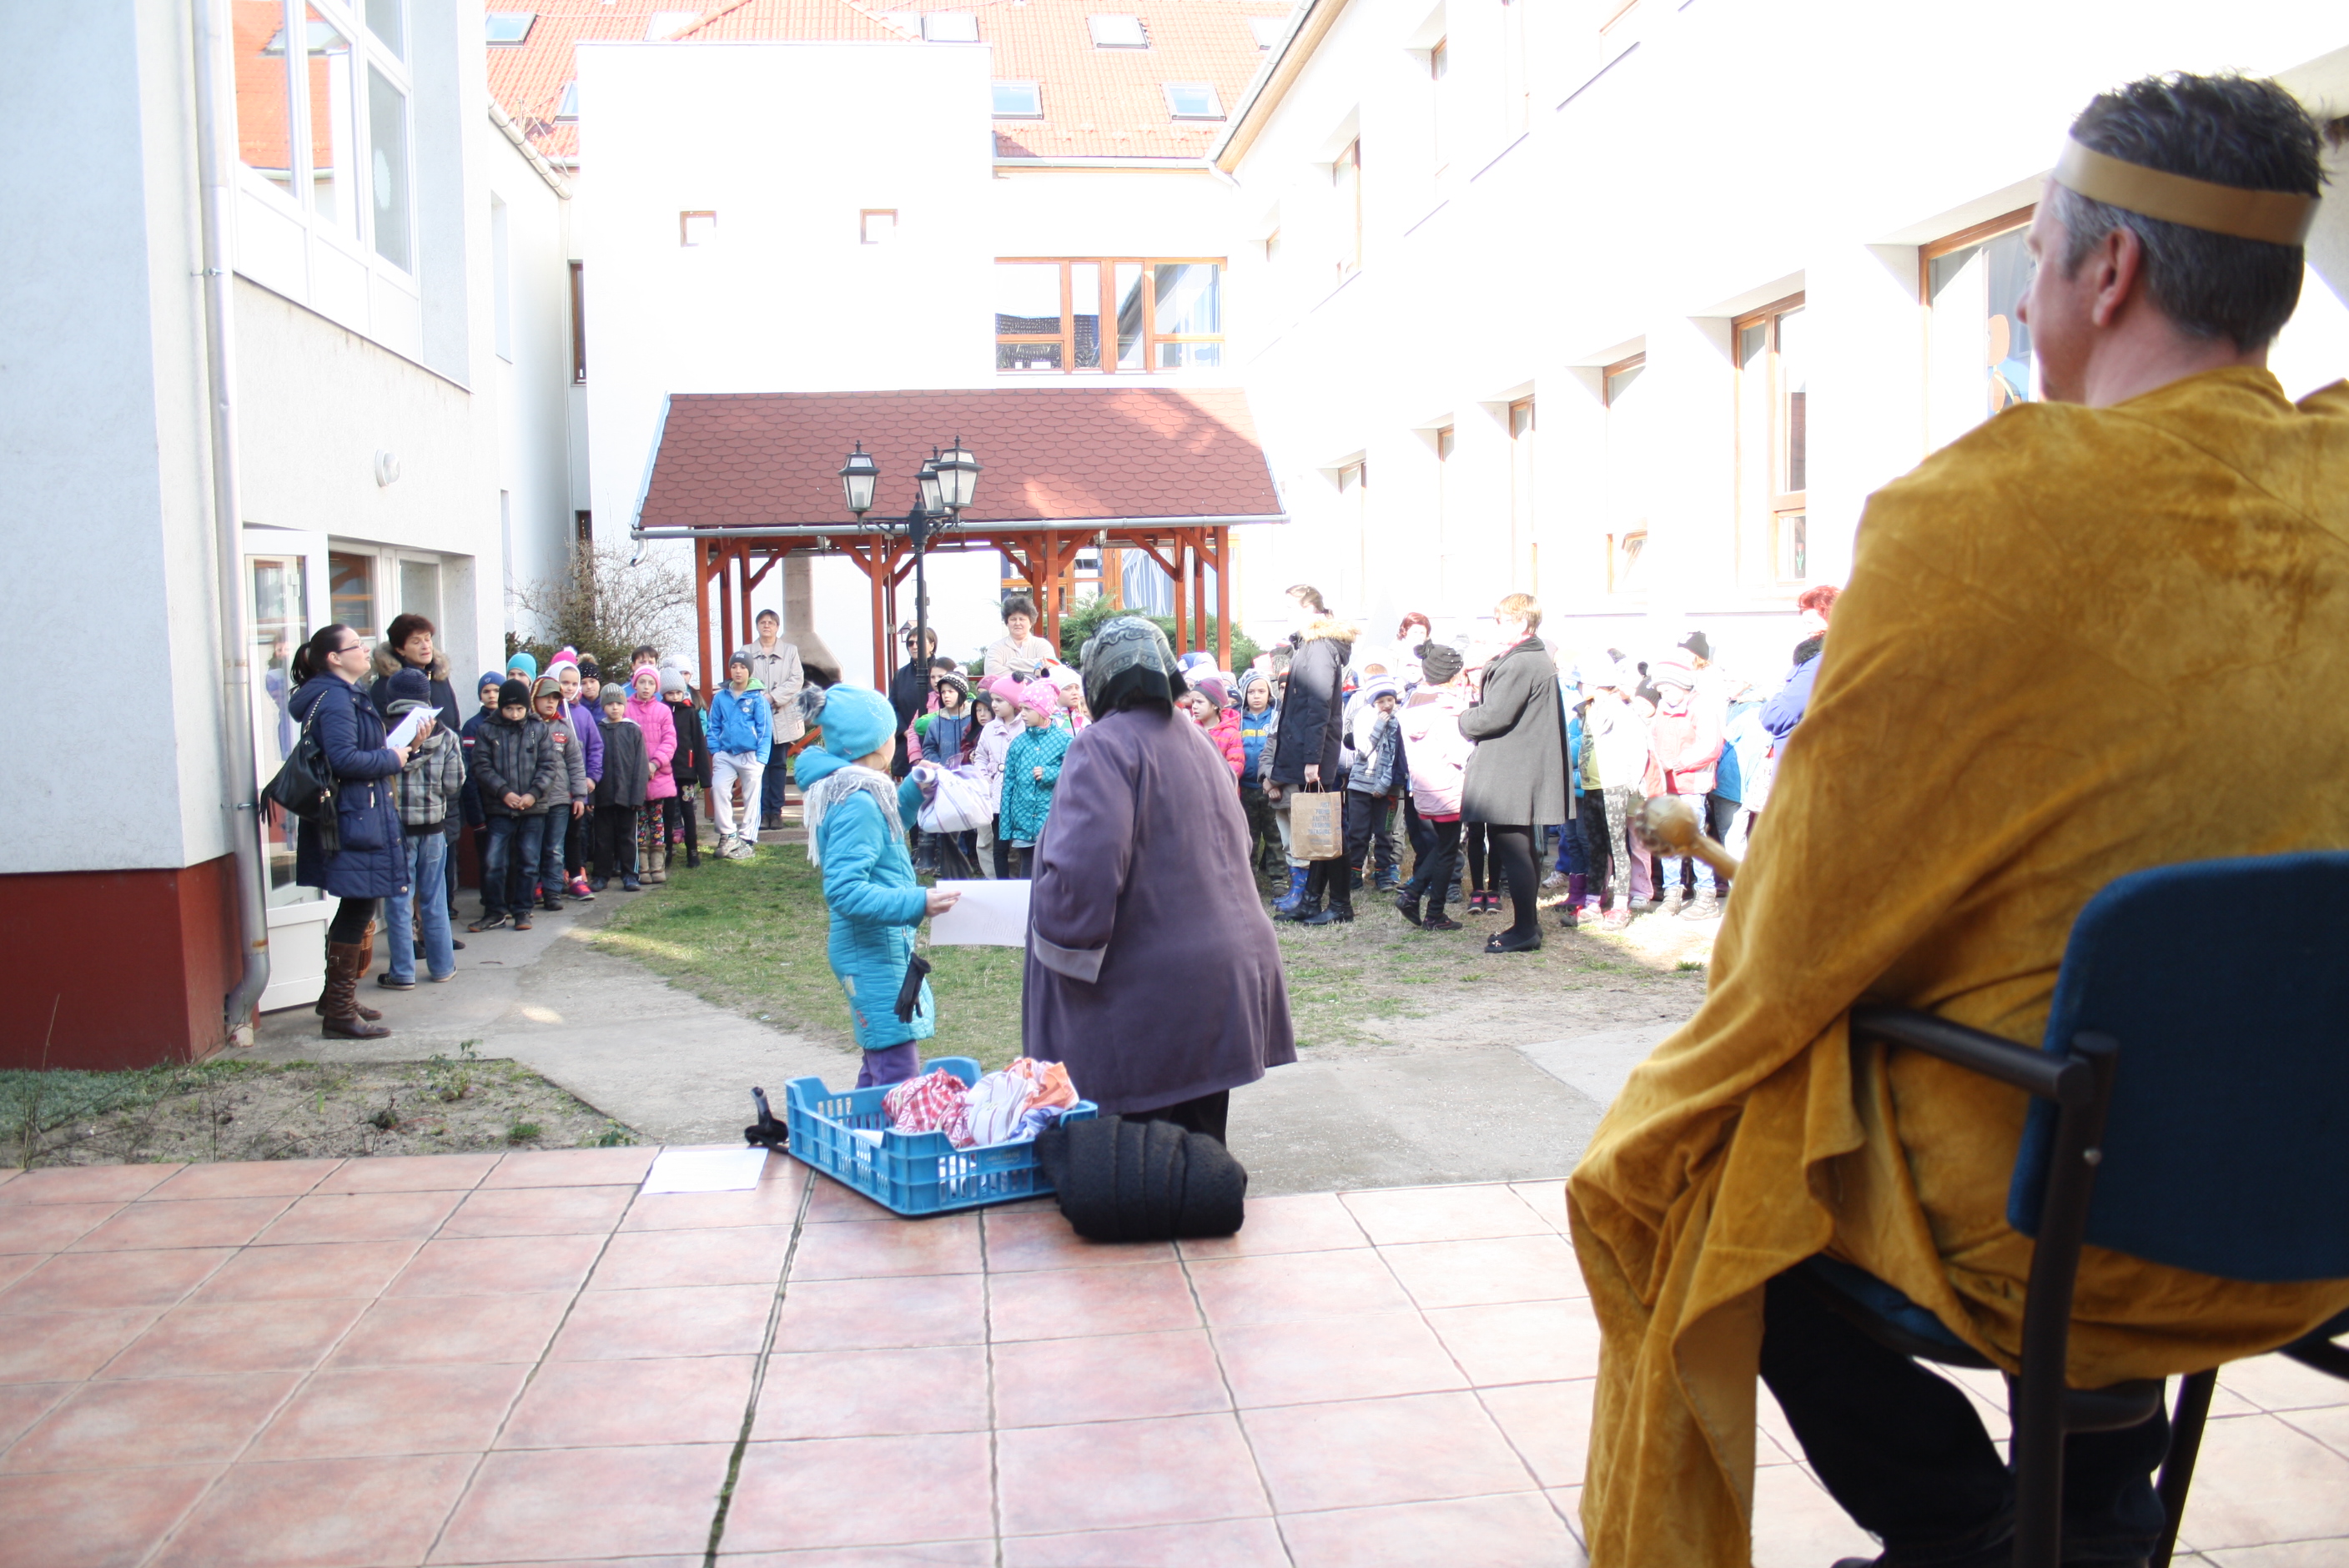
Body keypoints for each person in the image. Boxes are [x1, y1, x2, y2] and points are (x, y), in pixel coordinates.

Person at [1570, 73, 2349, 1568]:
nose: (2021, 303)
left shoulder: (1977, 520)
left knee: (1704, 1157)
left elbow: (1789, 947)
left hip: (2064, 1240)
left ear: (2107, 273)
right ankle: (2096, 1512)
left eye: (2028, 260)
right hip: (2317, 1204)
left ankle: (1969, 1533)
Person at [1022, 617, 1295, 1141]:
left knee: (1145, 1168)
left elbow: (1084, 874)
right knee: (1199, 1158)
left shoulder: (1101, 746)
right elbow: (1238, 844)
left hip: (1148, 992)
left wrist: (1055, 933)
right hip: (1222, 976)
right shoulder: (1198, 740)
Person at [794, 685, 961, 1088]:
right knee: (896, 1069)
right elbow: (845, 891)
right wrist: (918, 902)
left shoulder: (858, 790)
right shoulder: (857, 800)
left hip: (877, 945)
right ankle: (890, 1130)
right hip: (869, 950)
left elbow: (882, 831)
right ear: (871, 742)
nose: (896, 739)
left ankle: (861, 1127)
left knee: (882, 1062)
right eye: (891, 732)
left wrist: (912, 791)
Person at [286, 625, 413, 1038]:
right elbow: (344, 760)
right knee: (359, 905)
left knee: (358, 905)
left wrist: (401, 749)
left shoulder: (344, 694)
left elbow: (355, 752)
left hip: (356, 813)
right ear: (334, 658)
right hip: (352, 817)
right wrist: (393, 758)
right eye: (356, 645)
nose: (365, 649)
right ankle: (339, 1013)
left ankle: (335, 998)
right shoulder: (337, 699)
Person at [1458, 593, 1570, 953]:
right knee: (1519, 848)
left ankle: (1525, 929)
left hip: (1512, 769)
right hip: (1516, 766)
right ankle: (1527, 925)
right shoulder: (1529, 657)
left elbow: (1493, 716)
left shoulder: (1522, 661)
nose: (1496, 627)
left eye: (1502, 620)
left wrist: (1463, 717)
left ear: (1522, 623)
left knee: (1514, 848)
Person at [1265, 584, 1357, 921]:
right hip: (1311, 752)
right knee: (1319, 827)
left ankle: (1340, 905)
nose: (1286, 616)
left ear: (1309, 609)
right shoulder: (1311, 645)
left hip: (1316, 756)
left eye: (1291, 609)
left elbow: (1319, 706)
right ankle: (1311, 901)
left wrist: (1312, 760)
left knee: (1328, 828)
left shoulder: (1318, 647)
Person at [372, 614, 465, 921]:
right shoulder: (387, 685)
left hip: (440, 782)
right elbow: (382, 740)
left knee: (445, 855)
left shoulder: (439, 678)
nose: (426, 646)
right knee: (409, 878)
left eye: (428, 639)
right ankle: (415, 929)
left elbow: (452, 724)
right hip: (405, 792)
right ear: (400, 649)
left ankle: (438, 927)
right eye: (416, 641)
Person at [378, 668, 463, 989]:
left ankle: (402, 973)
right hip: (433, 829)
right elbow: (454, 784)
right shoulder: (446, 734)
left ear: (392, 697)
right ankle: (442, 967)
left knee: (399, 902)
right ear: (426, 697)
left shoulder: (380, 733)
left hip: (395, 830)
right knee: (434, 899)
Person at [1303, 677, 1401, 925]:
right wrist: (1379, 725)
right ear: (1372, 702)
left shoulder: (1398, 722)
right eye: (1381, 701)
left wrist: (1384, 785)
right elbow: (1363, 749)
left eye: (1390, 700)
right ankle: (1355, 872)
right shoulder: (1365, 718)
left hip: (1387, 787)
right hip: (1361, 785)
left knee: (1385, 831)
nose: (1386, 705)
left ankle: (1383, 872)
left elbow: (1396, 757)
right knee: (1358, 831)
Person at [468, 677, 555, 933]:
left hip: (533, 809)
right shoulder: (487, 730)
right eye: (509, 709)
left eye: (519, 709)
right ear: (501, 707)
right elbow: (481, 767)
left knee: (529, 861)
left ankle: (522, 910)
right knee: (494, 861)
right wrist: (504, 792)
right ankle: (495, 911)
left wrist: (533, 794)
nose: (515, 714)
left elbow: (549, 766)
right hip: (499, 808)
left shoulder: (539, 729)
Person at [1396, 642, 1471, 931]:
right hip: (1448, 783)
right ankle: (1428, 906)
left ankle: (1418, 899)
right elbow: (1459, 752)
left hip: (1423, 784)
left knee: (1441, 846)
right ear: (1454, 674)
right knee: (1447, 848)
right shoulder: (1448, 706)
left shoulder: (1414, 700)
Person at [1646, 656, 1724, 919]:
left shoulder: (1702, 707)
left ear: (1681, 685)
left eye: (1667, 690)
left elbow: (1710, 746)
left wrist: (1675, 763)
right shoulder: (1662, 709)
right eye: (1660, 692)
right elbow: (1654, 740)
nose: (1663, 696)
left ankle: (1706, 897)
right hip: (1665, 785)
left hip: (1691, 785)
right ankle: (1672, 894)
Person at [1580, 661, 1647, 931]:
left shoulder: (1622, 712)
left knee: (1617, 845)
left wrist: (1630, 783)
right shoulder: (1588, 711)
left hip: (1615, 785)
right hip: (1592, 786)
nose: (1580, 687)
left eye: (1583, 682)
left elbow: (1638, 747)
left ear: (1596, 685)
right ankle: (1593, 901)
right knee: (1595, 844)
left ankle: (1620, 905)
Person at [997, 680, 1069, 879]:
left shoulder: (1064, 741)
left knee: (1050, 872)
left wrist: (1051, 774)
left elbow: (1076, 774)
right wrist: (1006, 826)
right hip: (1023, 822)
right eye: (1021, 709)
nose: (1023, 714)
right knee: (1027, 870)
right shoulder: (1018, 744)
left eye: (1028, 709)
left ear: (1044, 710)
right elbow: (1008, 785)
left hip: (1052, 821)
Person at [529, 674, 589, 912]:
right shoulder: (527, 726)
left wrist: (579, 796)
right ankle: (534, 886)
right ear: (534, 698)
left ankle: (553, 891)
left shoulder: (564, 729)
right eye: (545, 697)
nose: (550, 702)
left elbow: (575, 763)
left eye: (555, 698)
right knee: (533, 846)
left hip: (560, 799)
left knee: (555, 848)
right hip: (533, 800)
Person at [706, 650, 772, 860]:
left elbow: (764, 729)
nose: (738, 671)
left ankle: (748, 840)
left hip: (751, 755)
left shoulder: (758, 698)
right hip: (726, 754)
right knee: (718, 788)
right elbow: (713, 725)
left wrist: (761, 758)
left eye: (743, 667)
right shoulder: (720, 697)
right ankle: (729, 834)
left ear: (749, 671)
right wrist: (715, 751)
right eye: (734, 666)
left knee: (751, 797)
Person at [551, 654, 604, 899]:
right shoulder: (547, 714)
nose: (570, 688)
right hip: (552, 789)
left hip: (577, 787)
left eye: (575, 683)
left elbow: (595, 747)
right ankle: (551, 878)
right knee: (552, 836)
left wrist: (592, 777)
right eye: (565, 683)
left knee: (576, 833)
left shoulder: (583, 714)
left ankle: (575, 875)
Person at [748, 609, 806, 831]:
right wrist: (759, 699)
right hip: (756, 718)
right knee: (759, 766)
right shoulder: (746, 651)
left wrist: (773, 697)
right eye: (762, 622)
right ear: (757, 626)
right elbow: (742, 678)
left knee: (779, 765)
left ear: (777, 627)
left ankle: (776, 812)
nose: (766, 626)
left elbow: (796, 679)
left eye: (770, 622)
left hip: (783, 715)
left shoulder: (790, 651)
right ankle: (763, 812)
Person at [627, 665, 681, 882]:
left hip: (658, 774)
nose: (646, 687)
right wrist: (639, 768)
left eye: (651, 683)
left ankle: (658, 865)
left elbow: (669, 741)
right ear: (635, 684)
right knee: (639, 821)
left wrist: (654, 764)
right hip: (635, 776)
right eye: (642, 682)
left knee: (656, 820)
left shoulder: (663, 711)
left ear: (656, 687)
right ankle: (642, 867)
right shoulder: (626, 709)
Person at [593, 686, 649, 890]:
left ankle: (630, 875)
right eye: (610, 704)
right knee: (602, 838)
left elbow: (641, 765)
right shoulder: (598, 730)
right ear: (603, 706)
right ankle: (601, 876)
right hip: (603, 795)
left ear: (624, 705)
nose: (614, 708)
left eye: (618, 703)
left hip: (627, 796)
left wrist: (637, 796)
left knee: (628, 838)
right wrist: (592, 797)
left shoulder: (633, 730)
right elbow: (592, 763)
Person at [1235, 670, 1281, 879]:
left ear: (1269, 693)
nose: (1256, 696)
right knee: (1248, 834)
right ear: (1244, 694)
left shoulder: (1276, 719)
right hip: (1244, 788)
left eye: (1261, 691)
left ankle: (1278, 877)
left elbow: (1280, 752)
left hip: (1271, 788)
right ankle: (1247, 877)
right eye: (1251, 691)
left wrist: (1274, 781)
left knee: (1275, 835)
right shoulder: (1237, 719)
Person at [973, 680, 1021, 879]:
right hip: (996, 797)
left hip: (1020, 797)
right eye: (993, 700)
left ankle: (1022, 883)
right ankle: (1001, 885)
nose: (994, 705)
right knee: (998, 846)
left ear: (1013, 701)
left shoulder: (1025, 726)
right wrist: (985, 777)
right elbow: (980, 756)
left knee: (1020, 845)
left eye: (1000, 700)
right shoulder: (989, 729)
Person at [888, 625, 938, 776]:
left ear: (932, 645)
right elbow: (892, 706)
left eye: (919, 642)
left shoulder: (941, 672)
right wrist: (905, 731)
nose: (914, 646)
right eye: (910, 643)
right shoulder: (900, 675)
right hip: (906, 746)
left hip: (937, 742)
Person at [1180, 679, 1245, 780]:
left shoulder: (1231, 734)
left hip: (1221, 786)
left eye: (1200, 702)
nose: (1194, 706)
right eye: (1193, 702)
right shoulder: (1191, 731)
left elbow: (1235, 766)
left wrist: (1214, 781)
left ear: (1215, 705)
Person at [983, 593, 1055, 679]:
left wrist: (1012, 663)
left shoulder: (1042, 644)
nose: (1017, 623)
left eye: (1022, 619)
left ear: (1031, 622)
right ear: (1007, 623)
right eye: (1013, 619)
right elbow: (992, 671)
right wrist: (1028, 676)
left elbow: (1051, 665)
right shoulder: (996, 647)